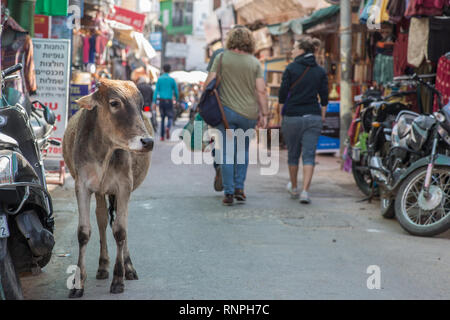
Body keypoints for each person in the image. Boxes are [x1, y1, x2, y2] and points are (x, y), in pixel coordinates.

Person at [205, 27, 269, 206]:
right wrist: (264, 113)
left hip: (225, 114)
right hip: (248, 114)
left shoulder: (221, 58)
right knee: (242, 150)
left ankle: (229, 192)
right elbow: (261, 90)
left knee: (226, 153)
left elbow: (208, 84)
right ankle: (240, 187)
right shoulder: (254, 62)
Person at [278, 36, 328, 204]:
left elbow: (282, 95)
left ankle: (294, 187)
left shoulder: (291, 68)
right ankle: (305, 191)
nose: (292, 51)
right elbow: (325, 98)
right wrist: (321, 117)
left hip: (292, 116)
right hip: (313, 116)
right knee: (309, 155)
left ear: (301, 51)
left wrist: (281, 115)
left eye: (294, 48)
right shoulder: (320, 71)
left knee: (293, 154)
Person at [152, 64, 179, 141]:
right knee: (170, 117)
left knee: (162, 118)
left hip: (161, 101)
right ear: (169, 70)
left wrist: (154, 102)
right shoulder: (172, 80)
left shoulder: (159, 79)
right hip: (169, 101)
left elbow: (156, 91)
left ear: (163, 70)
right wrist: (176, 100)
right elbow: (176, 92)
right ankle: (168, 127)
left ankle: (162, 136)